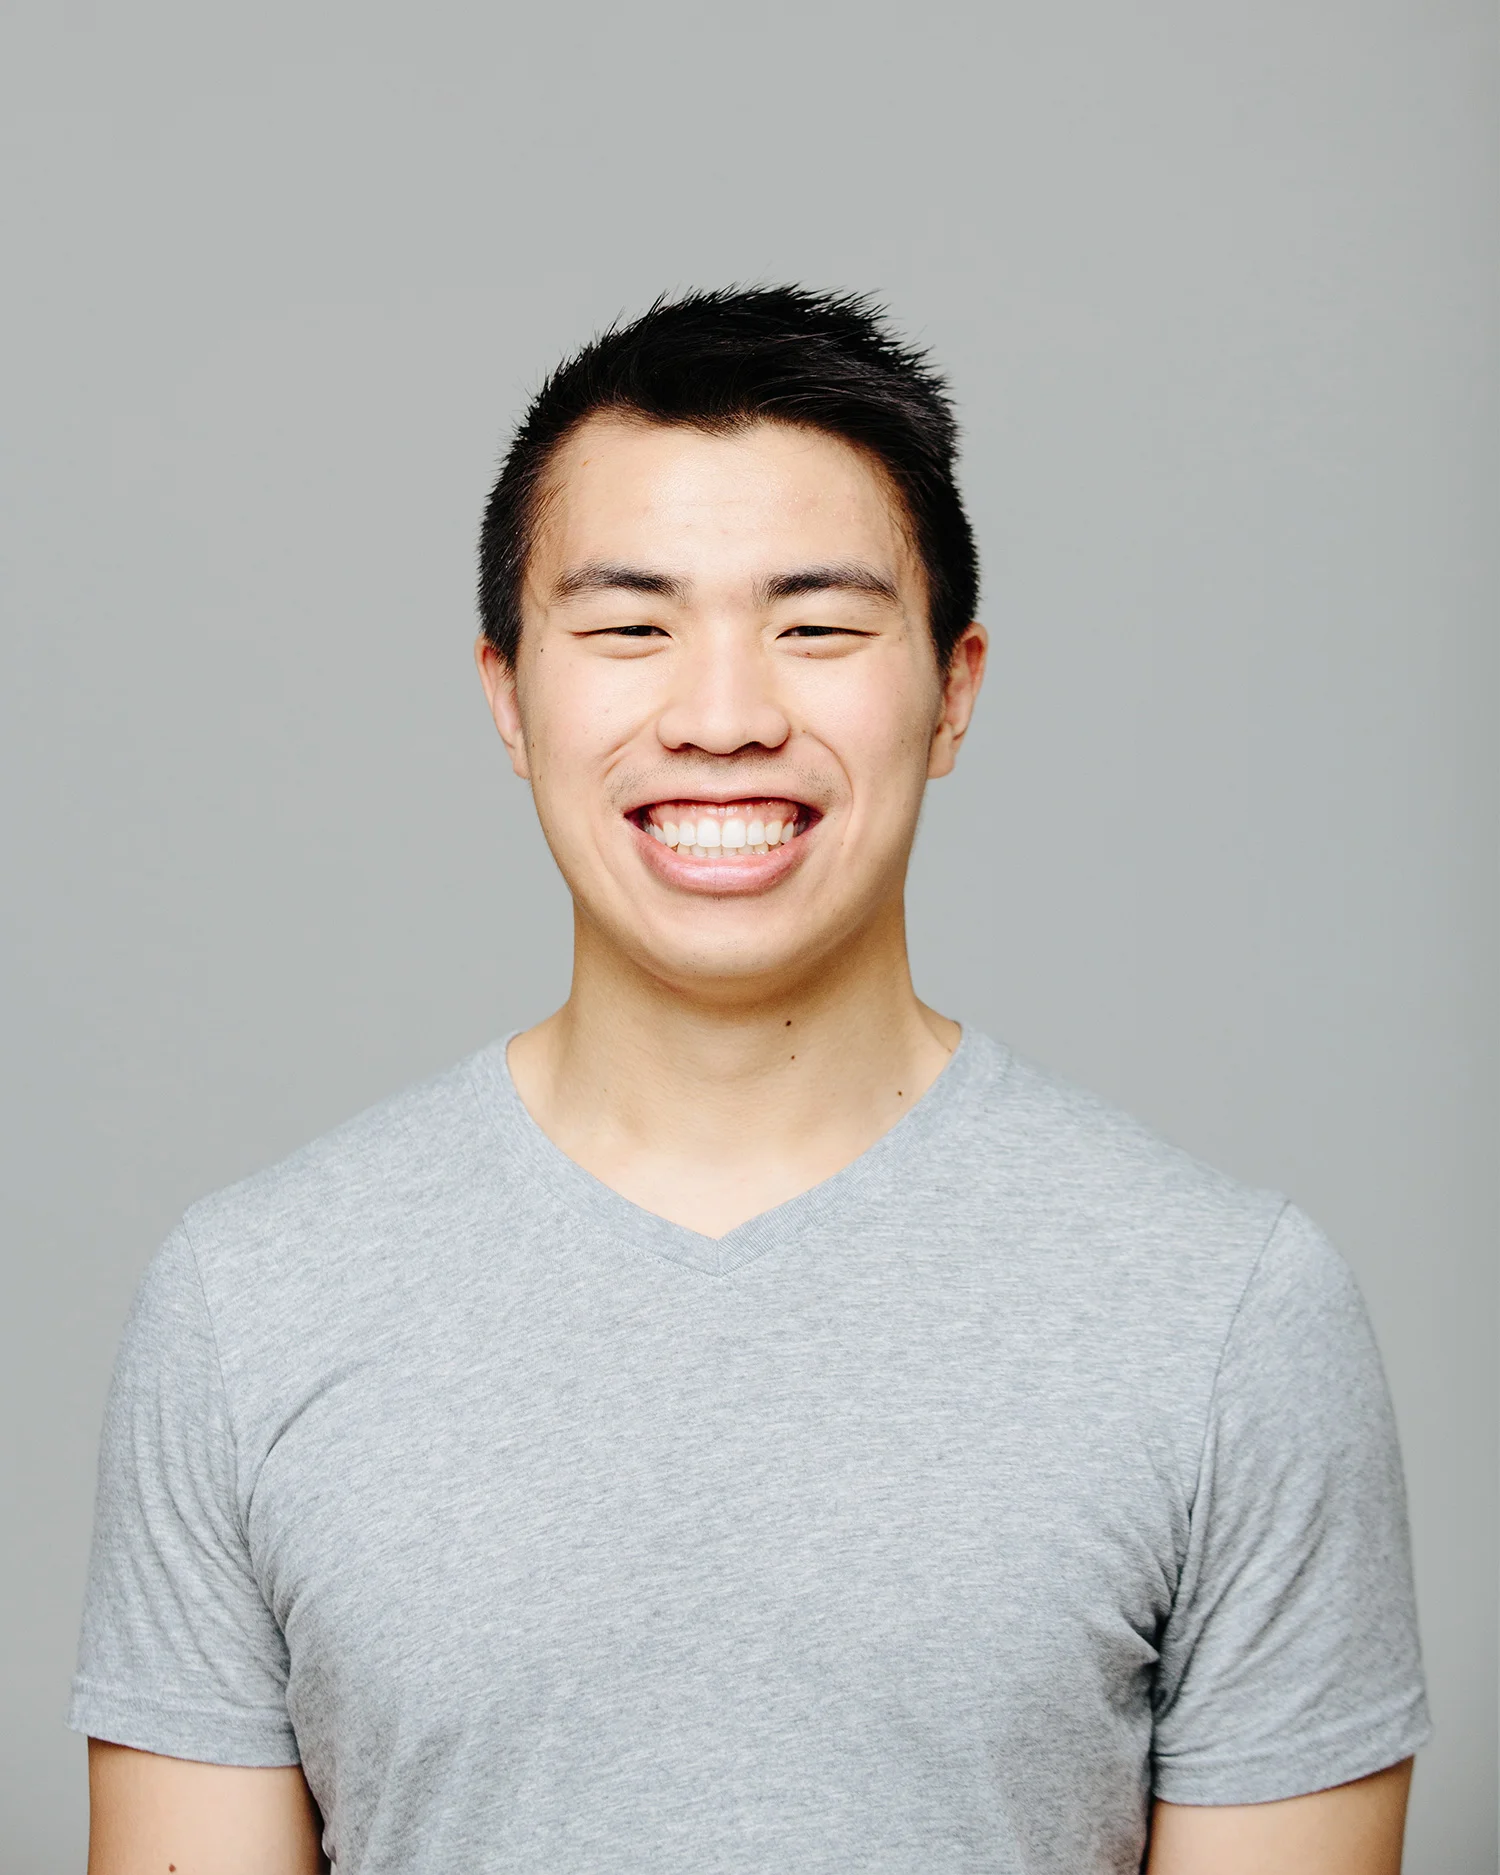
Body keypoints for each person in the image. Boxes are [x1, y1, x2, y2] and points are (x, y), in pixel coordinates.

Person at [71, 287, 1430, 1874]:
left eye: (820, 625)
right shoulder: (250, 1306)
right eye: (632, 625)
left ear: (956, 687)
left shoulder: (1231, 1314)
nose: (724, 716)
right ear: (509, 694)